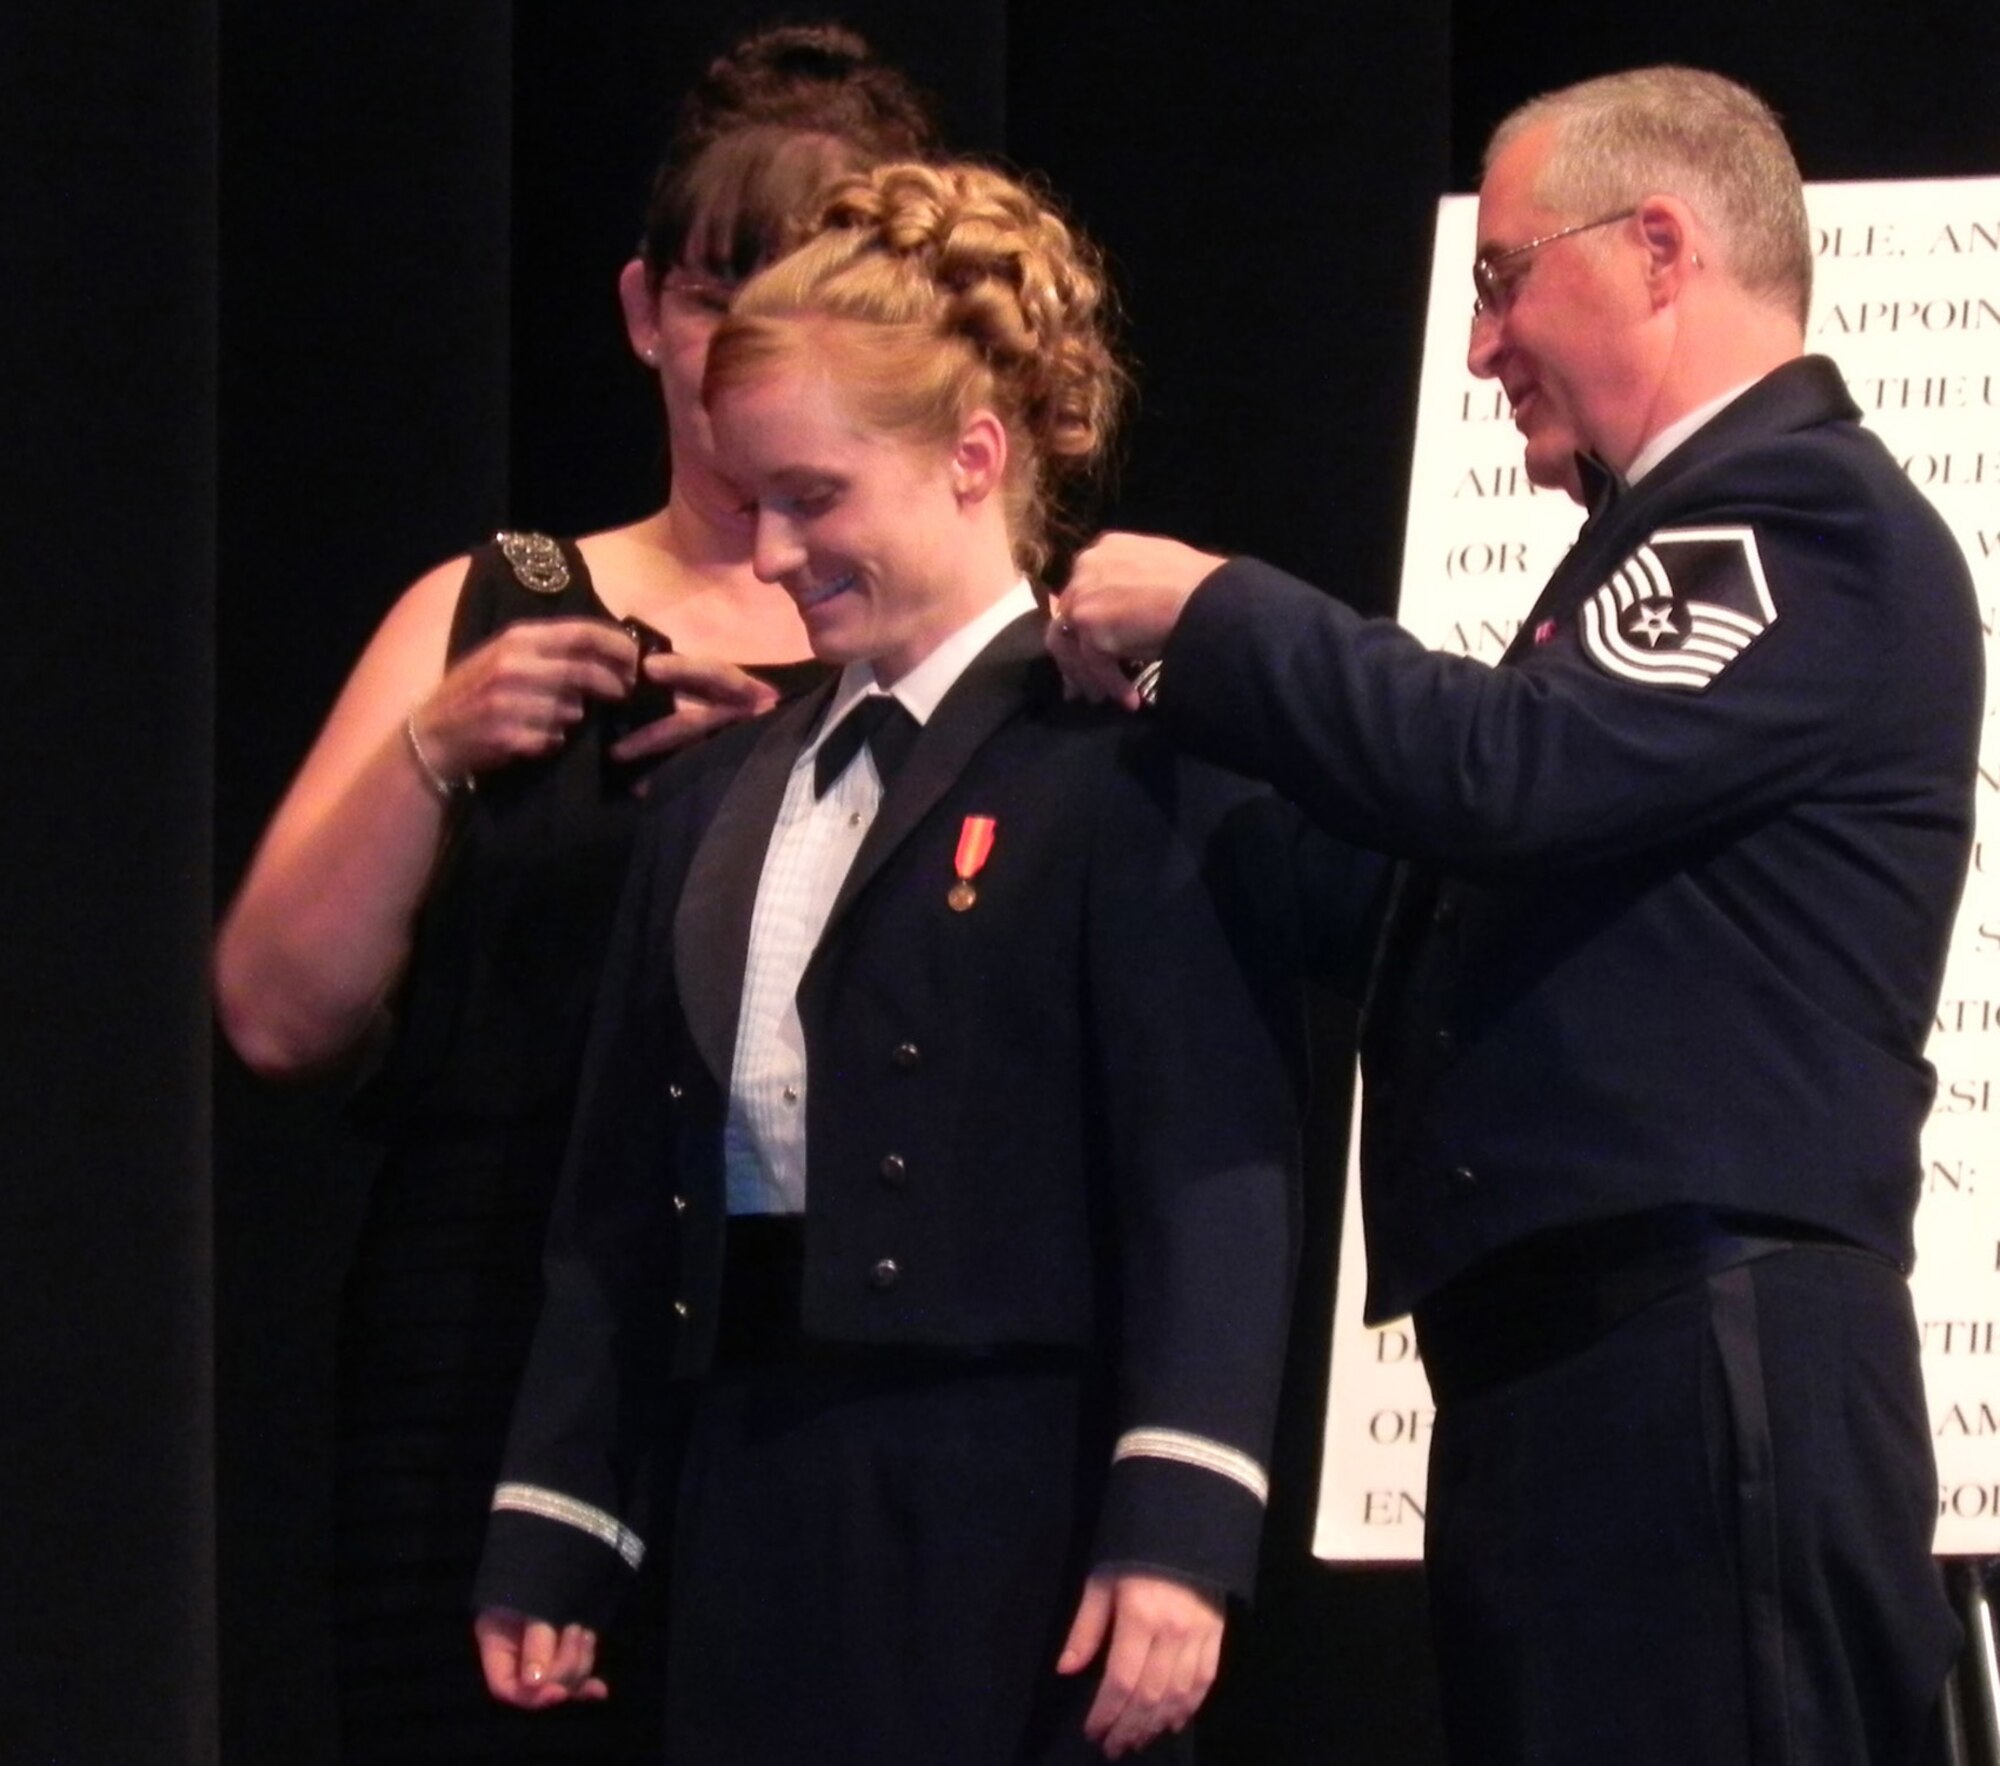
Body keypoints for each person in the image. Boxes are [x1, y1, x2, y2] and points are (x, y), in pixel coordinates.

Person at [1051, 65, 1978, 1766]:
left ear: (1658, 247)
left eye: (1500, 281)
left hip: (1700, 1368)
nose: (1480, 348)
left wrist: (1216, 610)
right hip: (1588, 1384)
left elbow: (1497, 774)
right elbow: (1448, 867)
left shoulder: (1803, 514)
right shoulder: (1675, 542)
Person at [469, 160, 1320, 1764]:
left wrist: (1181, 1522)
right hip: (754, 1487)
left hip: (1017, 1501)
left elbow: (1210, 1158)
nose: (773, 549)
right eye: (751, 499)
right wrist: (560, 1512)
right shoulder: (721, 787)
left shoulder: (1119, 758)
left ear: (972, 459)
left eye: (814, 497)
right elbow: (618, 1184)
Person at [213, 26, 938, 1762]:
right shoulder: (498, 605)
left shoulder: (965, 651)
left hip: (824, 1378)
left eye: (819, 290)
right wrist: (440, 751)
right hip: (490, 1351)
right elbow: (272, 1009)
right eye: (716, 294)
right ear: (642, 311)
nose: (751, 348)